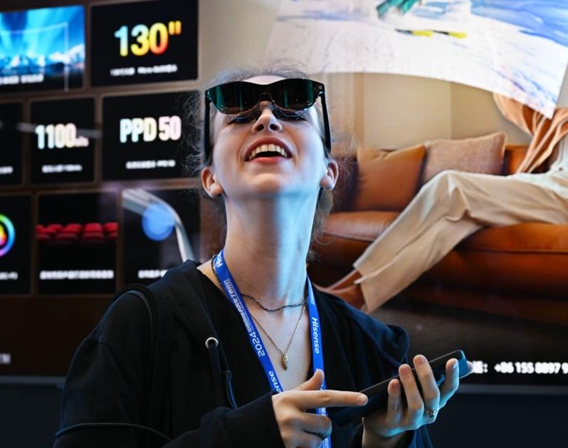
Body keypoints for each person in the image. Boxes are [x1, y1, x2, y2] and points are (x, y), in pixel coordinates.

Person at [54, 64, 469, 448]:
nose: (267, 119)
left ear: (329, 171)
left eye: (293, 113)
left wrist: (385, 442)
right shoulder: (141, 327)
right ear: (210, 177)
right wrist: (246, 436)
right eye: (238, 116)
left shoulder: (372, 348)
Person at [322, 0, 568, 313]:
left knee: (449, 185)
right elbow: (517, 101)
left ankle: (356, 279)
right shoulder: (564, 119)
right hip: (532, 188)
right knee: (450, 224)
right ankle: (356, 297)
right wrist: (497, 46)